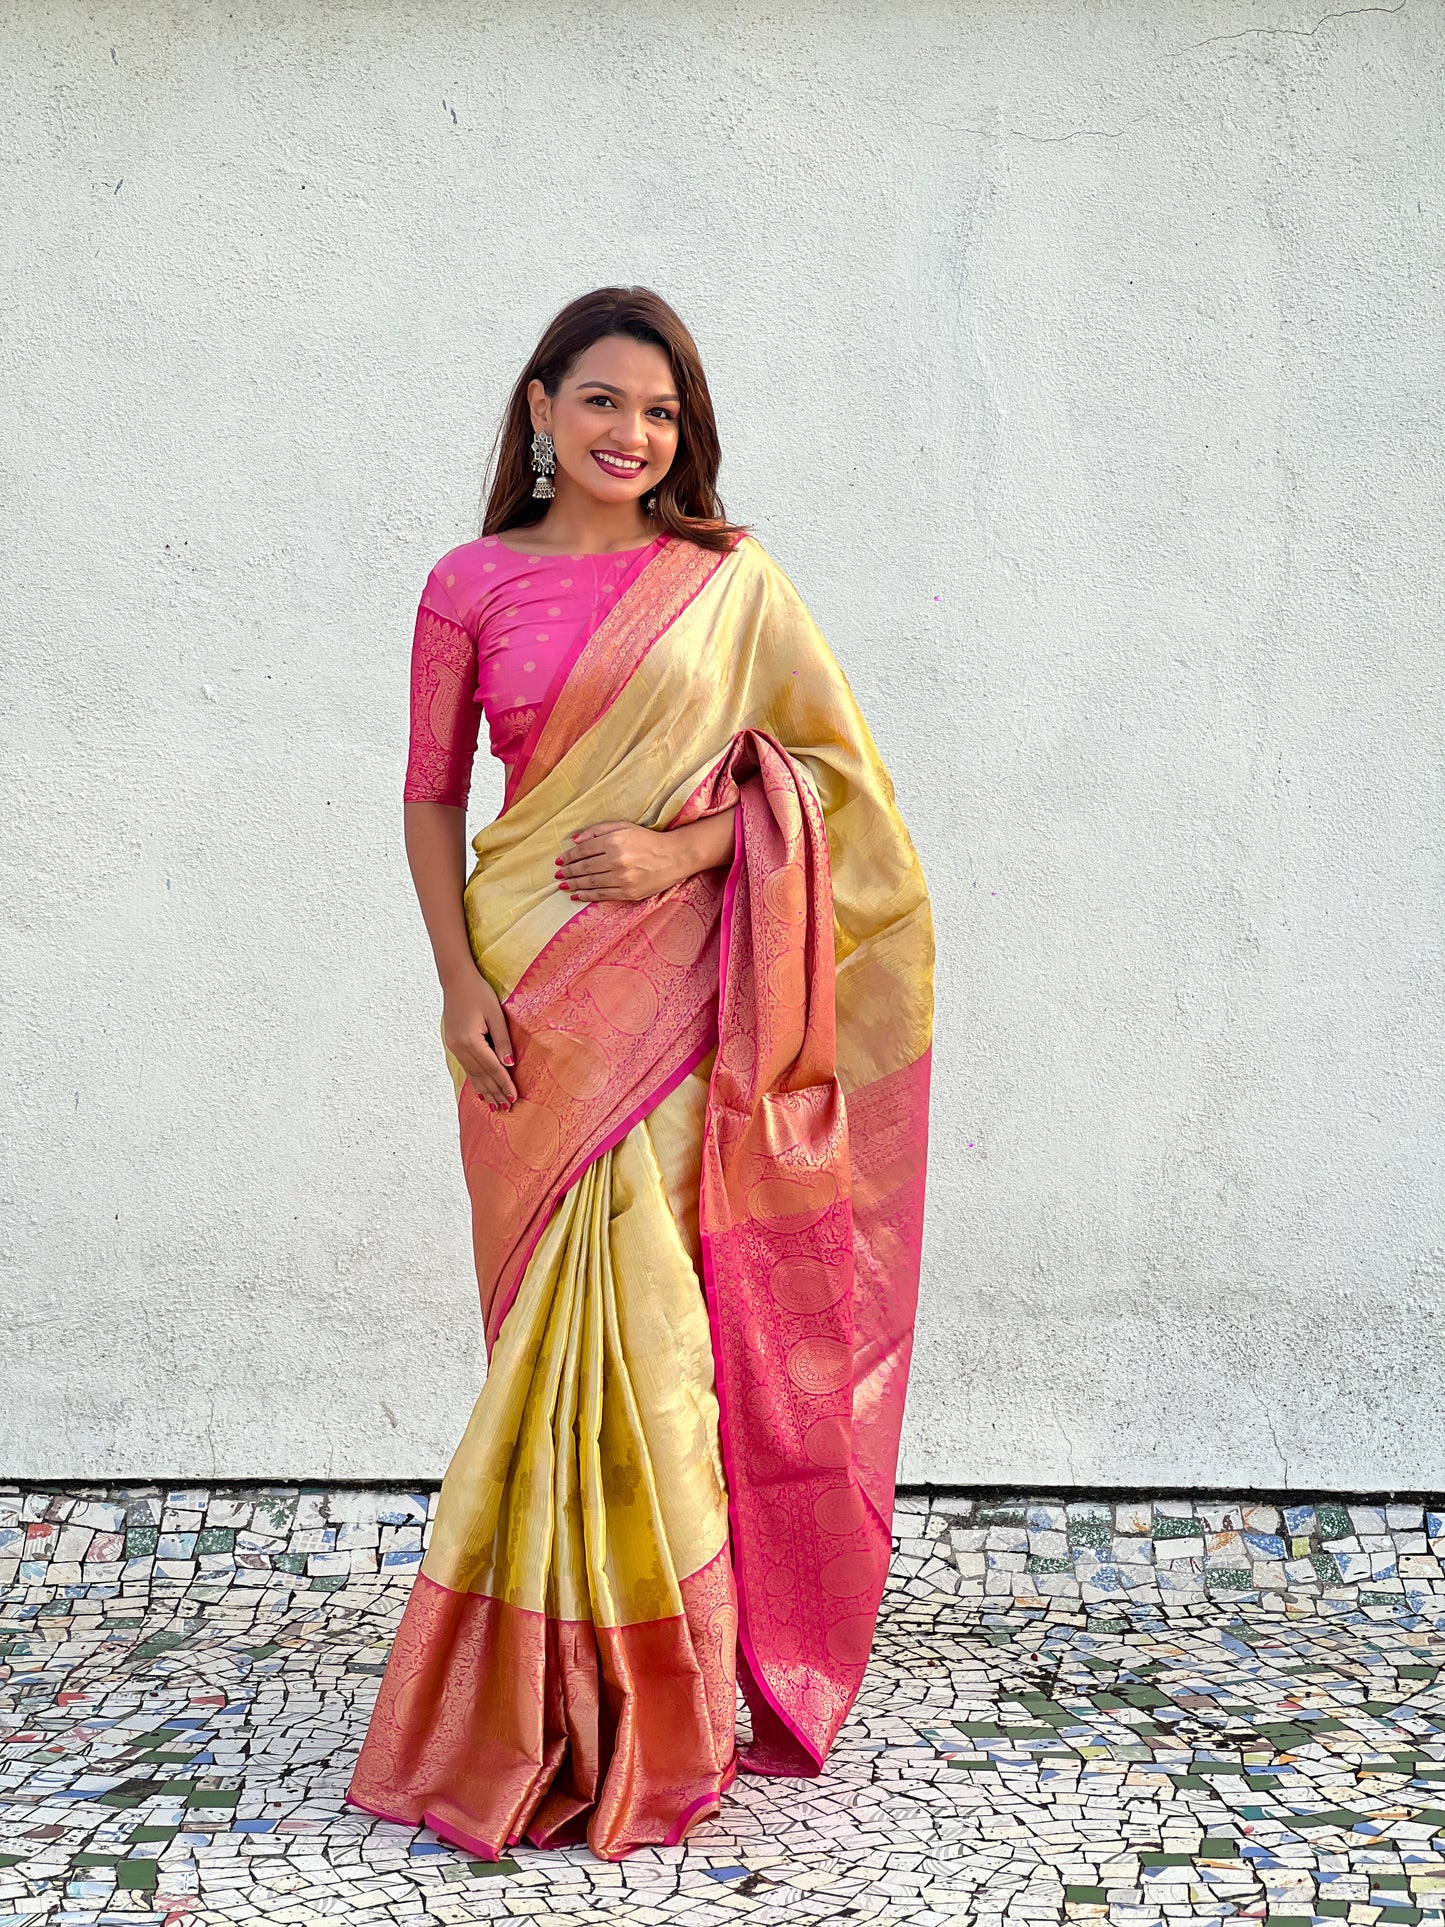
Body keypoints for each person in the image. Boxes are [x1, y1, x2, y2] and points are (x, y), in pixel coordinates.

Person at [346, 287, 934, 1861]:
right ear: (540, 406)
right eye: (603, 400)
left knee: (656, 1336)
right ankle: (541, 1685)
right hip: (527, 995)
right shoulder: (468, 582)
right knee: (547, 1335)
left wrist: (681, 848)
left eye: (662, 412)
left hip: (678, 1004)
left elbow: (842, 794)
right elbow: (428, 795)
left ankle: (659, 1701)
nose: (632, 434)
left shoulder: (728, 583)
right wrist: (456, 984)